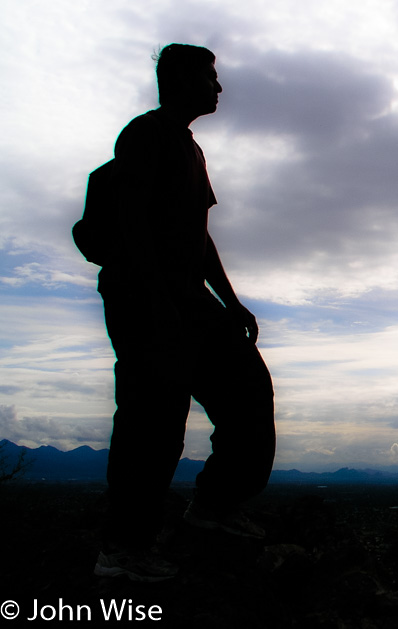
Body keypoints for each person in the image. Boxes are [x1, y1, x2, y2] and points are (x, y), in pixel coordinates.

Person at [93, 44, 276, 582]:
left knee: (247, 390)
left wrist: (230, 299)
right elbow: (131, 222)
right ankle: (123, 549)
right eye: (210, 77)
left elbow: (199, 236)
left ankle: (216, 506)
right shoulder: (144, 134)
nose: (218, 88)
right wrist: (156, 301)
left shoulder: (190, 149)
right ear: (180, 79)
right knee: (153, 422)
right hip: (144, 298)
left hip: (191, 302)